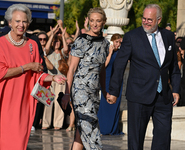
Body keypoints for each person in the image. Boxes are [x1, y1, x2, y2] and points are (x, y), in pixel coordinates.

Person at [0, 4, 66, 150]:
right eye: (17, 21)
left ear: (28, 23)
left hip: (24, 100)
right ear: (10, 23)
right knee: (3, 139)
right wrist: (27, 67)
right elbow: (0, 72)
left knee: (20, 140)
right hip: (4, 100)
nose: (21, 25)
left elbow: (38, 74)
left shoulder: (33, 44)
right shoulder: (0, 43)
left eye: (24, 21)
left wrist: (53, 78)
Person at [108, 4, 180, 150]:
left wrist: (176, 89)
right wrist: (114, 91)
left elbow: (173, 67)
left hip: (163, 97)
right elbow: (119, 66)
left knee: (163, 137)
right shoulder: (131, 37)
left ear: (159, 20)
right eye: (144, 18)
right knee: (136, 140)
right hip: (139, 96)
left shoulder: (168, 37)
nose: (145, 22)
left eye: (150, 20)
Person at [61, 7, 109, 150]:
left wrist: (105, 91)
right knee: (89, 125)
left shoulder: (105, 43)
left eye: (98, 21)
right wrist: (67, 93)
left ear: (104, 22)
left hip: (94, 91)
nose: (94, 24)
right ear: (88, 21)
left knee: (81, 130)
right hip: (80, 90)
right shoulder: (81, 40)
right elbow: (72, 69)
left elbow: (102, 70)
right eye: (92, 21)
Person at [42, 24, 69, 130]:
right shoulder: (49, 52)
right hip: (50, 78)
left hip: (61, 79)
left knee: (58, 102)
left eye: (57, 41)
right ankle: (45, 123)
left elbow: (66, 48)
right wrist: (52, 34)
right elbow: (46, 48)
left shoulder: (62, 53)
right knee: (47, 102)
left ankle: (58, 123)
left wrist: (62, 35)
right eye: (54, 41)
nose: (56, 43)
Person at [98, 33, 124, 135]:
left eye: (120, 42)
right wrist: (110, 52)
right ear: (112, 41)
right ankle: (104, 128)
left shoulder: (121, 52)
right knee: (105, 104)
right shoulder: (106, 50)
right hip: (107, 79)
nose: (118, 44)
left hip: (117, 80)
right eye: (116, 42)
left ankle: (113, 128)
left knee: (115, 104)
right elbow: (104, 65)